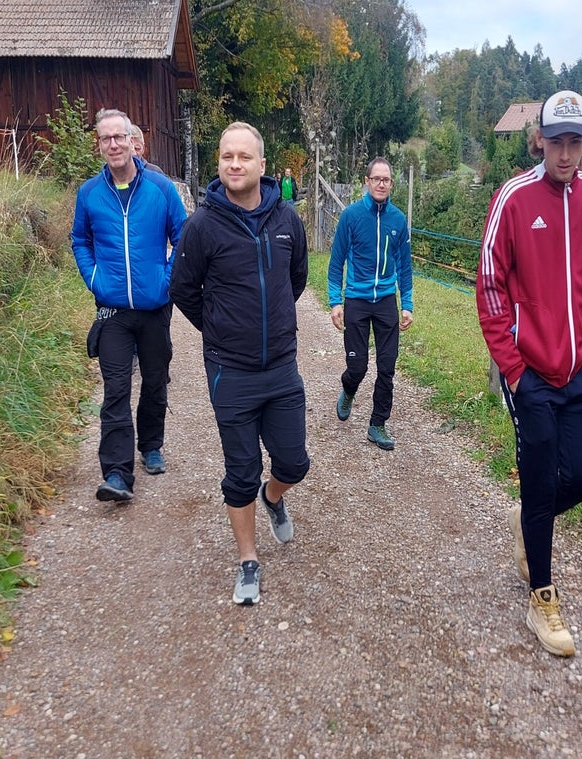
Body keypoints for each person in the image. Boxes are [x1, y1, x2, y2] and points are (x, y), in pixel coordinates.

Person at [475, 90, 582, 657]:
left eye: (575, 143)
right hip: (529, 373)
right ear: (540, 141)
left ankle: (528, 518)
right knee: (538, 481)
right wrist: (513, 369)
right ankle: (542, 601)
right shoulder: (513, 198)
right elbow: (489, 285)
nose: (566, 154)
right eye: (556, 142)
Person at [170, 122, 310, 606]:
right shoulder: (201, 226)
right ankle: (248, 560)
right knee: (241, 471)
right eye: (227, 156)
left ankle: (273, 497)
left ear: (261, 165)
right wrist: (221, 330)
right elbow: (182, 290)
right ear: (219, 163)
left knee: (294, 462)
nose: (235, 164)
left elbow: (296, 280)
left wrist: (273, 325)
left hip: (281, 367)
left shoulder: (287, 219)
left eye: (244, 156)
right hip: (230, 372)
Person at [72, 108, 187, 502]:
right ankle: (117, 473)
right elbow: (80, 241)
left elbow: (183, 236)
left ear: (132, 142)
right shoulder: (89, 193)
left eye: (119, 137)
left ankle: (151, 445)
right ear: (99, 145)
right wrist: (94, 278)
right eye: (105, 138)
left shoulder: (160, 189)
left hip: (154, 308)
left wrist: (166, 280)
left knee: (155, 381)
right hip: (113, 312)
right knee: (116, 389)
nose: (113, 144)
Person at [328, 157, 413, 450]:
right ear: (367, 181)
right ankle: (349, 389)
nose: (381, 184)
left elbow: (405, 266)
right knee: (358, 366)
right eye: (376, 179)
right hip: (357, 299)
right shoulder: (351, 216)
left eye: (386, 180)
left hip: (386, 300)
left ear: (391, 184)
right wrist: (335, 301)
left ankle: (377, 424)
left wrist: (407, 303)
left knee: (387, 367)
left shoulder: (398, 220)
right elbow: (336, 261)